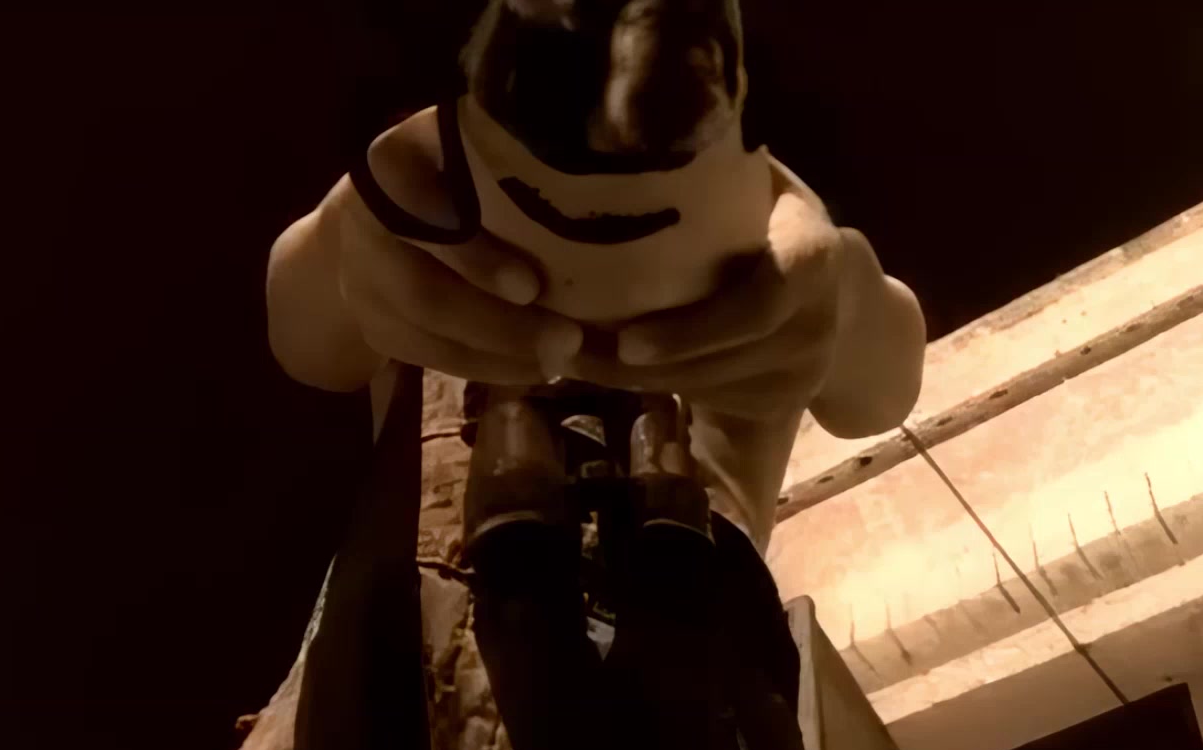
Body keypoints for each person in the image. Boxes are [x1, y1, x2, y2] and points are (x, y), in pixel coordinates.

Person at [266, 105, 928, 556]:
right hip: (399, 673)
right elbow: (307, 336)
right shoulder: (432, 183)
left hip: (688, 677)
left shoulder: (755, 223)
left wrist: (836, 298)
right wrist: (354, 240)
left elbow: (881, 392)